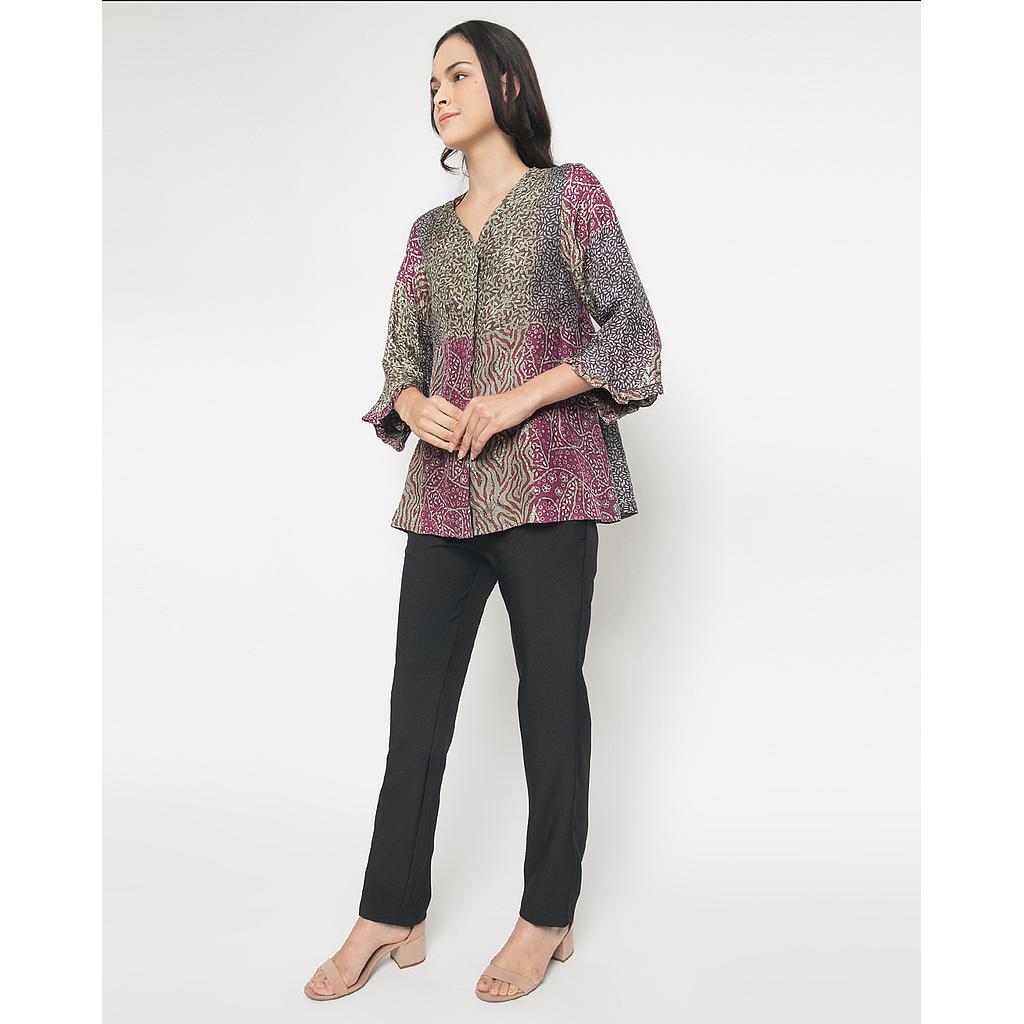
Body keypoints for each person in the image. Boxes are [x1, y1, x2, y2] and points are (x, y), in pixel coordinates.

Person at [305, 19, 663, 1005]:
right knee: (414, 707)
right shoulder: (426, 235)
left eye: (457, 75)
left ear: (506, 84)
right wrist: (414, 401)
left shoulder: (569, 197)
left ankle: (547, 913)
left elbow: (633, 332)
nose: (440, 95)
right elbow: (400, 360)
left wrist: (518, 399)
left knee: (548, 696)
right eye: (430, 84)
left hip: (550, 483)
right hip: (444, 495)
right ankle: (391, 909)